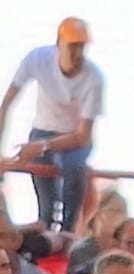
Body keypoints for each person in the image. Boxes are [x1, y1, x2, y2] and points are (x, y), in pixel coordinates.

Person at [3, 18, 102, 233]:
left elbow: (83, 136)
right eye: (72, 46)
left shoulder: (94, 78)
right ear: (59, 43)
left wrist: (41, 146)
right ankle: (46, 230)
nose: (77, 53)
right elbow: (6, 104)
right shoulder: (38, 59)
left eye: (82, 46)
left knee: (74, 168)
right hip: (42, 131)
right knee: (47, 207)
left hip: (74, 139)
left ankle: (67, 233)